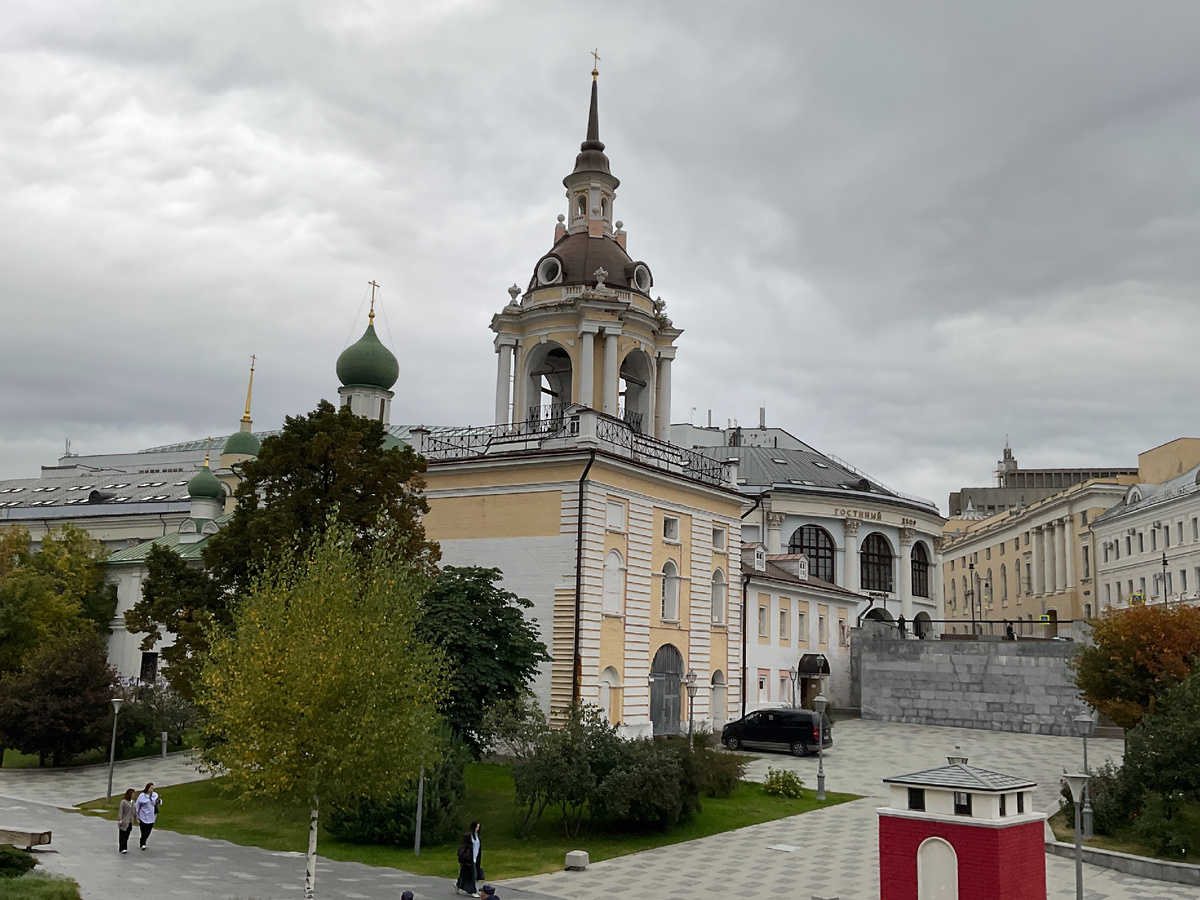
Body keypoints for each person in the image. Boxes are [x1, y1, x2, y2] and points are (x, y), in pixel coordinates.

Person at [455, 821, 482, 897]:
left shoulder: (478, 836)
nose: (477, 829)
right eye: (477, 827)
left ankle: (458, 884)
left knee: (466, 874)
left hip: (475, 858)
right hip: (469, 858)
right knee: (473, 875)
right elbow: (464, 846)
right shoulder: (468, 836)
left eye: (478, 827)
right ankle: (473, 891)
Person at [134, 782, 162, 850]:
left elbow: (159, 803)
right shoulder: (142, 796)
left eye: (153, 788)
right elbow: (137, 806)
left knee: (148, 831)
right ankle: (142, 843)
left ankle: (144, 841)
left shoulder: (155, 795)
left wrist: (158, 800)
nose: (152, 789)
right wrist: (136, 816)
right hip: (143, 816)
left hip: (151, 816)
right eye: (150, 788)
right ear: (147, 788)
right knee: (143, 831)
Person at [117, 788, 136, 853]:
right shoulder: (123, 802)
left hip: (130, 821)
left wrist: (137, 818)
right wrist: (120, 819)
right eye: (132, 794)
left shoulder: (133, 802)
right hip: (124, 821)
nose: (133, 795)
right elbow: (121, 811)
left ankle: (125, 847)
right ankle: (122, 848)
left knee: (127, 834)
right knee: (123, 835)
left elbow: (134, 811)